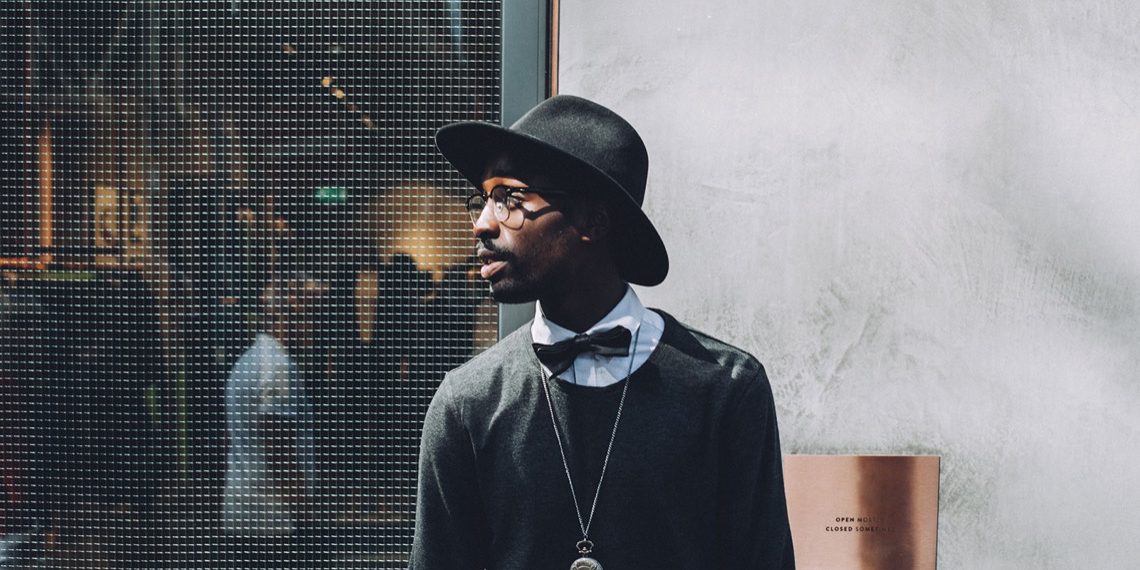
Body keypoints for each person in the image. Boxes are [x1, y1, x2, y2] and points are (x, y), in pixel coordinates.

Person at [410, 94, 795, 569]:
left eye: (509, 198)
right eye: (483, 200)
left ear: (591, 221)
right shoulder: (467, 403)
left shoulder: (726, 389)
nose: (483, 224)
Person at [223, 276, 322, 567]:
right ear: (286, 319)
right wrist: (306, 513)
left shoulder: (247, 361)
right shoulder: (278, 368)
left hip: (245, 512)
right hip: (272, 522)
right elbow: (279, 448)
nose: (313, 328)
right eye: (308, 317)